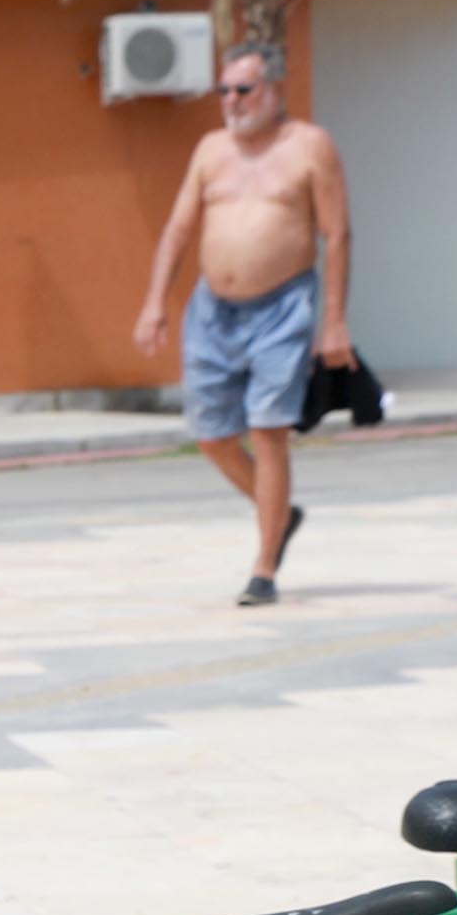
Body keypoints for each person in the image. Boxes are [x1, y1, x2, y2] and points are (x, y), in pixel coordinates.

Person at [134, 39, 355, 606]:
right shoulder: (210, 151)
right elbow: (178, 229)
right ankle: (278, 513)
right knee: (211, 436)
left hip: (282, 307)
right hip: (213, 309)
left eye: (243, 89)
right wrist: (155, 301)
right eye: (224, 90)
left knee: (268, 429)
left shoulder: (310, 147)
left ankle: (264, 568)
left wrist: (334, 323)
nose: (231, 100)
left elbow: (337, 235)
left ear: (275, 89)